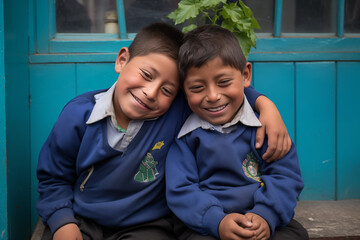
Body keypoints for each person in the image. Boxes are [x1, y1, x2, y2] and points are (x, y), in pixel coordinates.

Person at [37, 22, 292, 240]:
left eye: (168, 90)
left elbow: (221, 90)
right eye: (147, 75)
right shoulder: (78, 115)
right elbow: (53, 178)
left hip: (145, 224)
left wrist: (264, 104)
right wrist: (63, 221)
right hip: (83, 217)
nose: (151, 92)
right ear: (122, 60)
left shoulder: (174, 112)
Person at [166, 25, 308, 240]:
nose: (213, 96)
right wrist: (218, 221)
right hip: (207, 224)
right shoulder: (185, 138)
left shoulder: (265, 127)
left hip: (262, 218)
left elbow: (285, 177)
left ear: (245, 75)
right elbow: (181, 189)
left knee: (295, 235)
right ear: (183, 91)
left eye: (224, 82)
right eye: (197, 88)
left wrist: (265, 215)